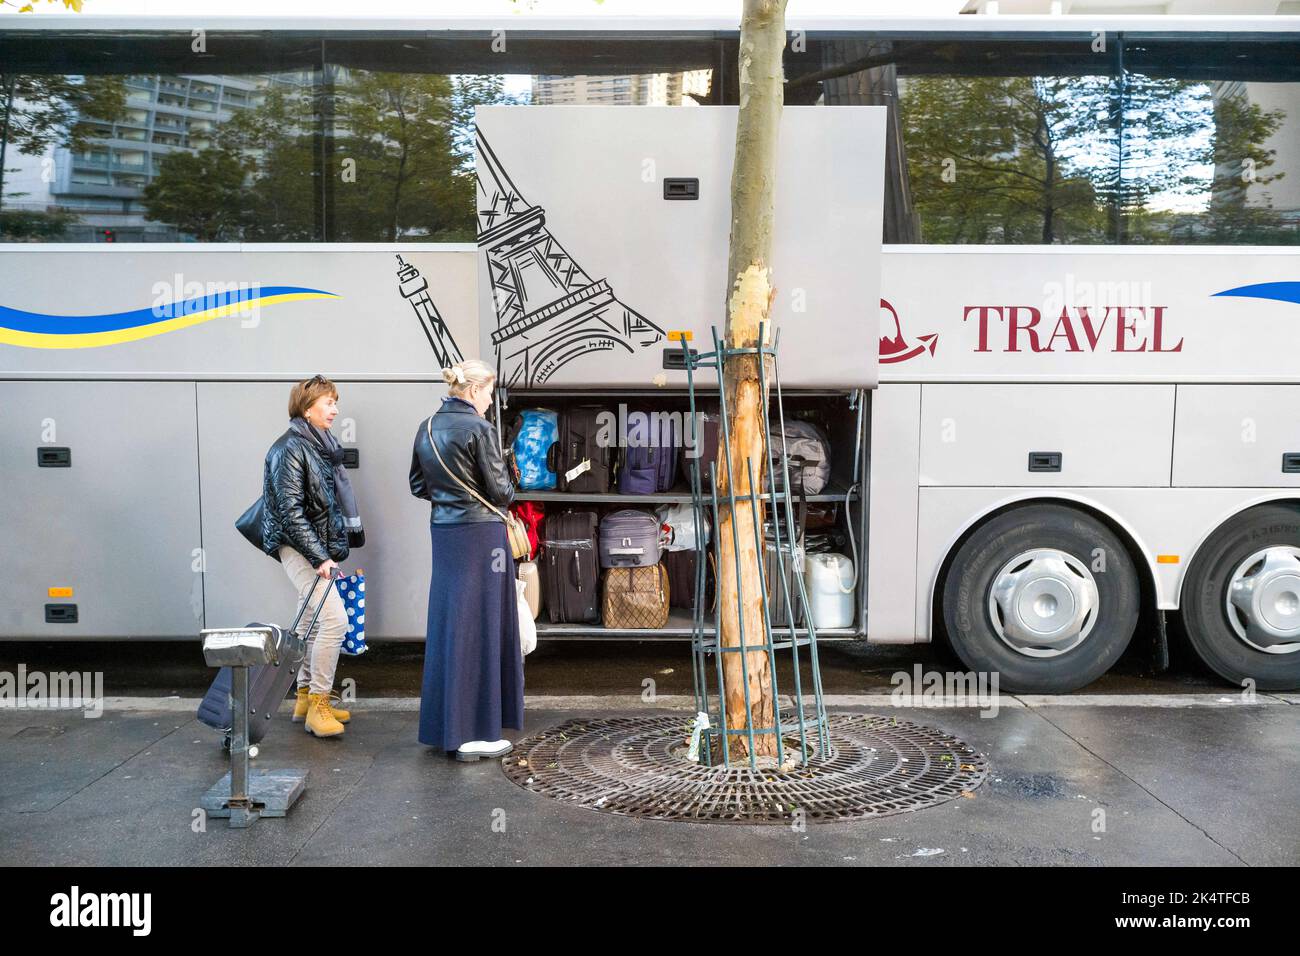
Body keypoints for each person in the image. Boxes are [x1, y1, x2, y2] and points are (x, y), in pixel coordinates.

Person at [409, 359, 523, 761]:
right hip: (482, 537)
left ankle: (449, 728)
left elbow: (417, 484)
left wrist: (450, 501)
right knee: (483, 624)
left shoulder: (426, 427)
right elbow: (501, 492)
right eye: (489, 392)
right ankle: (477, 732)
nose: (491, 400)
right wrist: (512, 471)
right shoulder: (480, 429)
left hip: (445, 534)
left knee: (451, 624)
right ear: (473, 390)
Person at [259, 374, 361, 739]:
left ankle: (304, 696)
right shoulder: (290, 449)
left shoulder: (319, 447)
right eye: (328, 402)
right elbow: (290, 512)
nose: (335, 409)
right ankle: (318, 704)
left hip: (311, 547)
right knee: (335, 620)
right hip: (299, 547)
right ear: (307, 407)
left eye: (335, 402)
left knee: (312, 622)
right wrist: (320, 558)